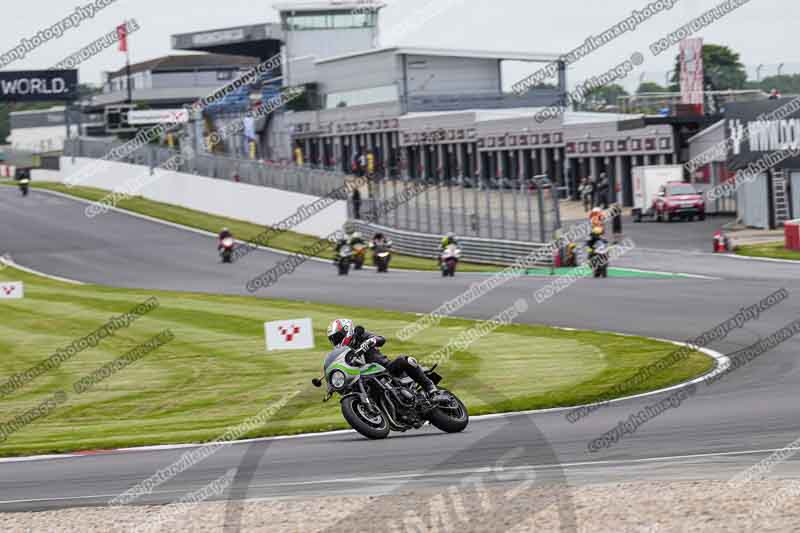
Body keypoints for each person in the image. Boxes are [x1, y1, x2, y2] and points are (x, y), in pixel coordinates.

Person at [326, 319, 441, 398]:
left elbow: (381, 339)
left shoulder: (360, 335)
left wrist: (372, 340)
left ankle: (429, 386)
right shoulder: (343, 352)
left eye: (337, 338)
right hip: (363, 376)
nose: (336, 342)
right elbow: (338, 366)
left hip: (385, 369)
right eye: (333, 340)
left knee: (404, 360)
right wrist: (332, 383)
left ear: (346, 330)